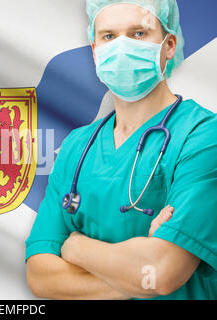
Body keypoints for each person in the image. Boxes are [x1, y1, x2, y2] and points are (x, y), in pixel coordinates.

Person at [25, 0, 217, 300]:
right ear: (94, 50)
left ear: (169, 46)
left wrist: (75, 246)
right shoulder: (78, 145)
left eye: (138, 33)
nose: (121, 47)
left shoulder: (203, 136)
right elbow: (39, 275)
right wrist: (135, 271)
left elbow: (161, 273)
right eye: (109, 36)